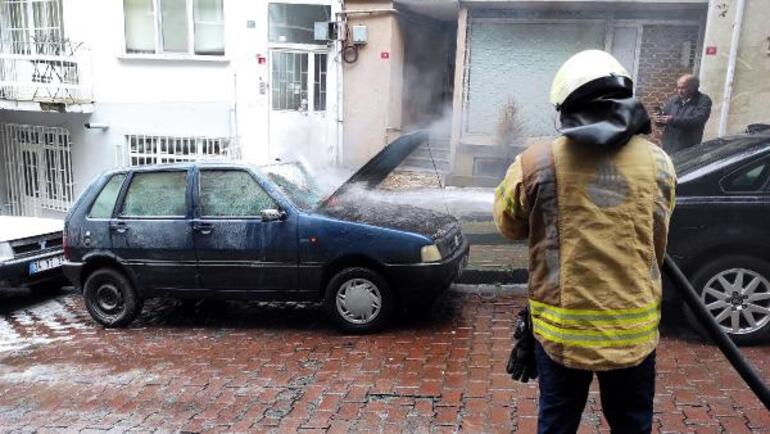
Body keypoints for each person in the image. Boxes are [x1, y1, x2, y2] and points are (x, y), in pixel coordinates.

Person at [493, 50, 677, 434]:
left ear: (563, 107)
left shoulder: (536, 163)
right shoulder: (660, 163)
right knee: (631, 425)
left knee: (557, 423)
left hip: (562, 336)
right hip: (633, 334)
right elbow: (657, 243)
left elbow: (509, 226)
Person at [654, 74, 712, 153]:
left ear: (694, 87)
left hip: (687, 148)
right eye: (678, 88)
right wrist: (659, 120)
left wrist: (672, 120)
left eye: (683, 88)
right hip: (668, 147)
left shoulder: (703, 100)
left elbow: (698, 120)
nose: (680, 91)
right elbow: (664, 120)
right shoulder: (674, 100)